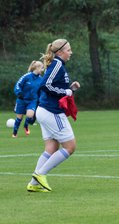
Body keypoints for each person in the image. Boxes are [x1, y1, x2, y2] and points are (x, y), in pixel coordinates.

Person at [26, 39, 80, 192]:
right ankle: (40, 174)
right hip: (52, 112)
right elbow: (46, 85)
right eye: (69, 50)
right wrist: (65, 92)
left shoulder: (58, 65)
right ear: (60, 52)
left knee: (51, 147)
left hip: (44, 110)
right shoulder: (57, 64)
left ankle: (33, 184)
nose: (71, 53)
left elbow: (53, 87)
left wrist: (70, 89)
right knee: (70, 147)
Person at [12, 60, 44, 137]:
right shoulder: (26, 76)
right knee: (19, 118)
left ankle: (26, 126)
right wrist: (19, 93)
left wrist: (41, 99)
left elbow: (42, 90)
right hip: (22, 100)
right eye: (42, 68)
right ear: (37, 68)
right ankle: (14, 133)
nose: (43, 70)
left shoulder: (41, 79)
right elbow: (18, 85)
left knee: (30, 115)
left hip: (32, 101)